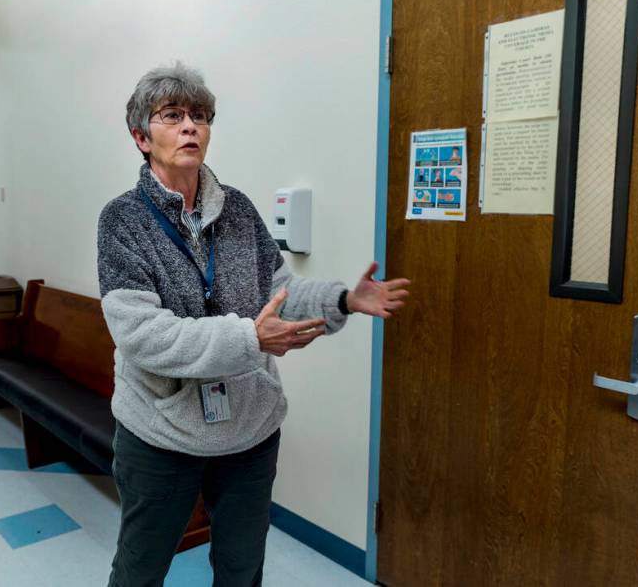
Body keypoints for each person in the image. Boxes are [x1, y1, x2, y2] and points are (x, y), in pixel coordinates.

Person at [97, 62, 411, 587]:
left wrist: (342, 299)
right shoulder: (122, 220)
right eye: (172, 115)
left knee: (242, 570)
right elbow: (143, 336)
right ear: (140, 137)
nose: (190, 126)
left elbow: (278, 293)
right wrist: (249, 338)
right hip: (160, 433)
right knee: (140, 570)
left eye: (199, 115)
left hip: (249, 430)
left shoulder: (237, 209)